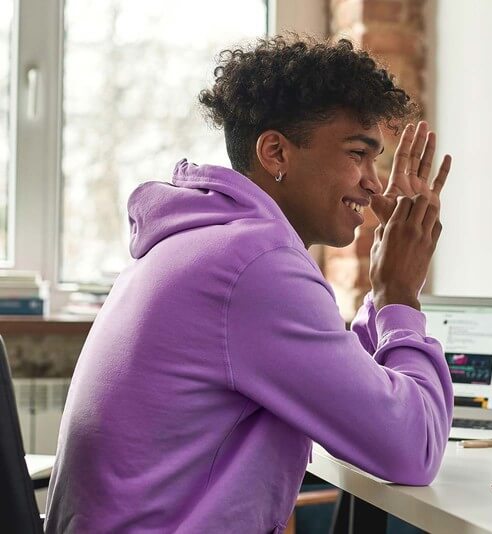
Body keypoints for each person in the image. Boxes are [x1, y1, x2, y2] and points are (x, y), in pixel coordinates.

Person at [44, 36, 454, 533]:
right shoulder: (255, 267)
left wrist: (383, 292)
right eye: (357, 153)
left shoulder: (212, 243)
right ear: (276, 152)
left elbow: (339, 384)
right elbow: (414, 449)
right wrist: (399, 297)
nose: (373, 181)